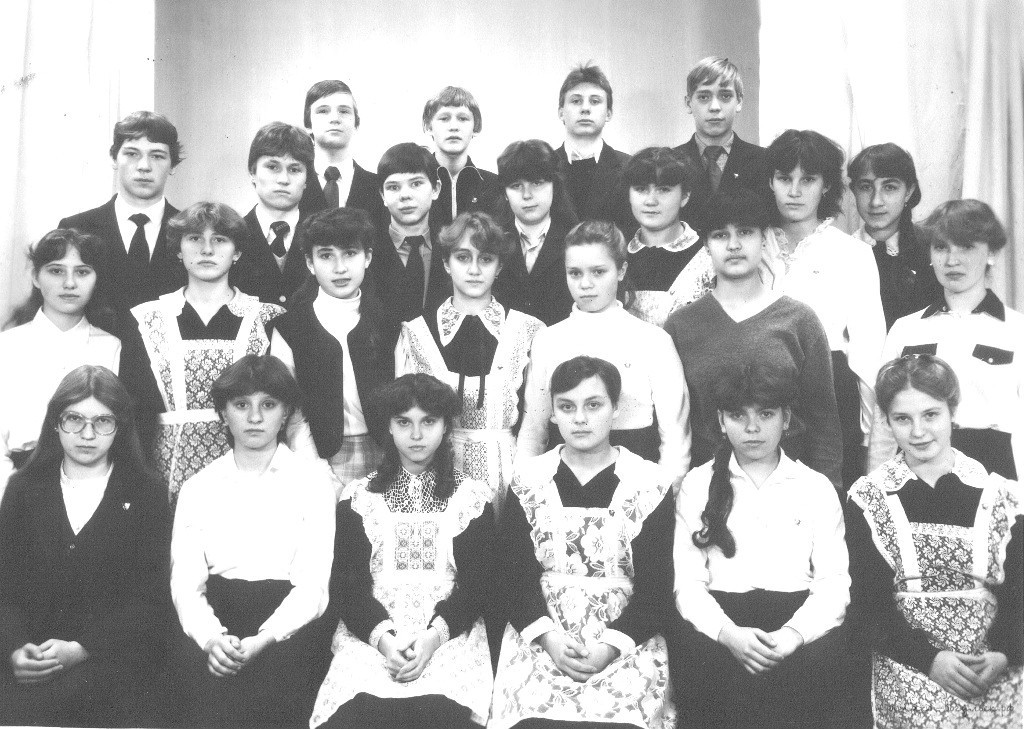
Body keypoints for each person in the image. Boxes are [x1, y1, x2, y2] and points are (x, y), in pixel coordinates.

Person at [490, 356, 676, 729]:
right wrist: (549, 640)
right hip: (543, 638)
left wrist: (609, 647)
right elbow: (512, 577)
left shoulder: (649, 483)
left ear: (615, 409)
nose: (580, 418)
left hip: (625, 641)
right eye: (567, 407)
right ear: (553, 413)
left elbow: (656, 588)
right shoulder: (528, 479)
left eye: (593, 405)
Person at [310, 374, 495, 729]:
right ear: (388, 427)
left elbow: (476, 587)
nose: (416, 435)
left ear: (445, 427)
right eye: (404, 422)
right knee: (360, 713)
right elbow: (348, 588)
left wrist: (431, 640)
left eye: (429, 421)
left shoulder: (471, 498)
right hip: (373, 634)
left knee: (440, 713)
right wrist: (385, 643)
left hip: (448, 634)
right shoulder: (358, 498)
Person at [847, 354, 1022, 728]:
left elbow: (1019, 593)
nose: (918, 432)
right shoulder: (868, 498)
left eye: (930, 415)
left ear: (952, 412)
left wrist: (1005, 654)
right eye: (902, 419)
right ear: (886, 421)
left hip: (993, 662)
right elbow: (868, 605)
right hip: (910, 664)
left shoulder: (1002, 496)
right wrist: (930, 659)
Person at [672, 361, 850, 728]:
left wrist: (791, 636)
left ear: (786, 419)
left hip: (797, 632)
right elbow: (687, 584)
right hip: (720, 633)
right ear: (721, 421)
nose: (752, 428)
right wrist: (729, 635)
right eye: (738, 415)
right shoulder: (697, 485)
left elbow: (833, 584)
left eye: (766, 414)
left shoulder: (815, 488)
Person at [170, 354, 335, 727]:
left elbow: (313, 586)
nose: (255, 417)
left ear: (286, 412)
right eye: (242, 405)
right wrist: (212, 639)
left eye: (269, 405)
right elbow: (185, 583)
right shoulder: (198, 488)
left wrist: (264, 639)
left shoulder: (312, 483)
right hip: (216, 617)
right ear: (223, 413)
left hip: (287, 626)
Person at [0, 365, 170, 727]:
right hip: (29, 668)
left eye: (102, 421)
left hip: (114, 673)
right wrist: (13, 647)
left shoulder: (147, 493)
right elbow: (4, 585)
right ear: (55, 422)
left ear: (120, 426)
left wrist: (82, 649)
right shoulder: (23, 490)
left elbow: (151, 597)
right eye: (74, 419)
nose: (87, 434)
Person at [665, 189, 843, 487]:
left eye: (745, 232)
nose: (734, 245)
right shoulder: (681, 325)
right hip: (708, 489)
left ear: (764, 238)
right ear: (706, 245)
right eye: (721, 235)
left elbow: (824, 423)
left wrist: (830, 492)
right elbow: (676, 426)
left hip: (790, 488)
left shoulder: (799, 320)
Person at [118, 202, 284, 505]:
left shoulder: (269, 318)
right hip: (166, 471)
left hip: (251, 469)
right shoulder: (147, 318)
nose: (207, 249)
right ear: (179, 250)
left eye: (219, 239)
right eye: (195, 238)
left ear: (237, 252)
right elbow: (134, 409)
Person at [518, 220, 690, 484]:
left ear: (621, 271)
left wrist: (663, 496)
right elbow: (533, 431)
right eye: (575, 273)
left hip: (636, 482)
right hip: (563, 482)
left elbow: (676, 438)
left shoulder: (653, 341)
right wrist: (524, 488)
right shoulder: (547, 340)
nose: (585, 284)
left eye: (598, 272)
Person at [396, 211, 544, 513]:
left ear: (499, 266)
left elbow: (535, 426)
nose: (474, 270)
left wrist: (523, 489)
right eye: (463, 258)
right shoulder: (416, 333)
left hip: (511, 478)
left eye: (485, 259)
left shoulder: (527, 330)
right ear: (446, 263)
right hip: (439, 480)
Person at [868, 199, 1024, 480]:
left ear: (991, 253)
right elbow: (884, 424)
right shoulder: (905, 329)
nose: (952, 261)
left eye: (966, 247)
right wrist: (876, 488)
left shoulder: (1017, 330)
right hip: (917, 469)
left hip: (993, 472)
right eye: (941, 247)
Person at [763, 129, 885, 487]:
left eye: (808, 180)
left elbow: (868, 355)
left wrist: (867, 438)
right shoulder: (750, 243)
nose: (795, 191)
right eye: (784, 178)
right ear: (770, 182)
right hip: (759, 392)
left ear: (827, 185)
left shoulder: (853, 253)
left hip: (829, 393)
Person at [272, 206, 400, 491]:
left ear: (367, 257)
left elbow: (404, 401)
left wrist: (396, 458)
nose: (339, 268)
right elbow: (290, 410)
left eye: (350, 253)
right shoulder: (290, 327)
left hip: (387, 453)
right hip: (317, 455)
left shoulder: (390, 324)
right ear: (310, 262)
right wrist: (314, 468)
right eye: (326, 255)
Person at [0, 229, 121, 496]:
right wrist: (11, 500)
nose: (69, 283)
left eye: (82, 272)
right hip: (16, 482)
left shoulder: (111, 346)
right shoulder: (7, 346)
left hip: (89, 486)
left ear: (96, 278)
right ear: (35, 277)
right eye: (56, 271)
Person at [59, 110, 185, 315]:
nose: (144, 166)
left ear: (173, 165)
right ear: (114, 158)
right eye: (132, 154)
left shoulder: (191, 231)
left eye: (157, 156)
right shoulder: (76, 228)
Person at [673, 56, 771, 234]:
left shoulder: (764, 160)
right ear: (688, 103)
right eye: (703, 97)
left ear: (739, 102)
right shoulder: (671, 161)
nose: (715, 107)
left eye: (725, 96)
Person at [848, 143, 941, 329]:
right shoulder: (841, 252)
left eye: (889, 187)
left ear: (909, 192)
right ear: (854, 191)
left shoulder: (932, 251)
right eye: (866, 187)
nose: (876, 201)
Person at [621, 146, 713, 325]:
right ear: (629, 195)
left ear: (685, 196)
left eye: (663, 189)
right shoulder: (615, 255)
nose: (650, 201)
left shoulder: (709, 256)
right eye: (641, 189)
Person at [492, 139, 579, 326]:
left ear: (555, 186)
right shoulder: (490, 242)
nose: (527, 195)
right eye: (516, 186)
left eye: (537, 183)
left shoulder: (577, 240)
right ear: (505, 193)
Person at [367, 142, 452, 323]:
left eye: (416, 183)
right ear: (382, 196)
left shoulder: (452, 247)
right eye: (393, 187)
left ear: (436, 189)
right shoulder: (367, 249)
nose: (405, 195)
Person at [234, 121, 316, 306]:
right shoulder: (233, 235)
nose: (283, 179)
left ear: (306, 179)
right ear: (252, 173)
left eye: (294, 169)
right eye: (272, 167)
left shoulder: (323, 235)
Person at [298, 79, 386, 224]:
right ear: (308, 124)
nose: (334, 119)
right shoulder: (294, 184)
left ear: (356, 124)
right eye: (323, 111)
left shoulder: (379, 187)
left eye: (344, 111)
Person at [552, 63, 631, 224]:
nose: (585, 109)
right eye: (576, 101)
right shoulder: (545, 167)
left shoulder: (629, 167)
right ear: (561, 113)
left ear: (608, 113)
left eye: (595, 101)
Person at [422, 86, 501, 229]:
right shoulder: (416, 184)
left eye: (463, 119)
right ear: (428, 127)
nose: (454, 127)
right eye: (444, 118)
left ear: (476, 128)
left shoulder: (494, 186)